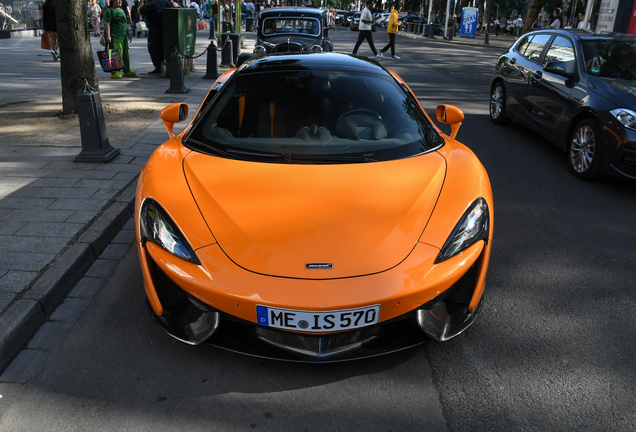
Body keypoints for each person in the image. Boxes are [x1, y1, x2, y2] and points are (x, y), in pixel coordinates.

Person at [104, 0, 136, 78]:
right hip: (115, 36)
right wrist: (108, 36)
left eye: (120, 0)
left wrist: (128, 34)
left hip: (123, 36)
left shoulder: (122, 10)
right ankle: (115, 71)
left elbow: (125, 23)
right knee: (116, 53)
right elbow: (107, 24)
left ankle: (126, 70)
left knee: (125, 53)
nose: (119, 1)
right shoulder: (109, 11)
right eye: (118, 0)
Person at [139, 0, 172, 74]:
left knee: (153, 48)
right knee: (160, 48)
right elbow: (175, 4)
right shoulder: (165, 2)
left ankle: (158, 67)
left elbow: (139, 11)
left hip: (154, 29)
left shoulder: (150, 4)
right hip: (163, 29)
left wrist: (142, 3)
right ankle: (161, 64)